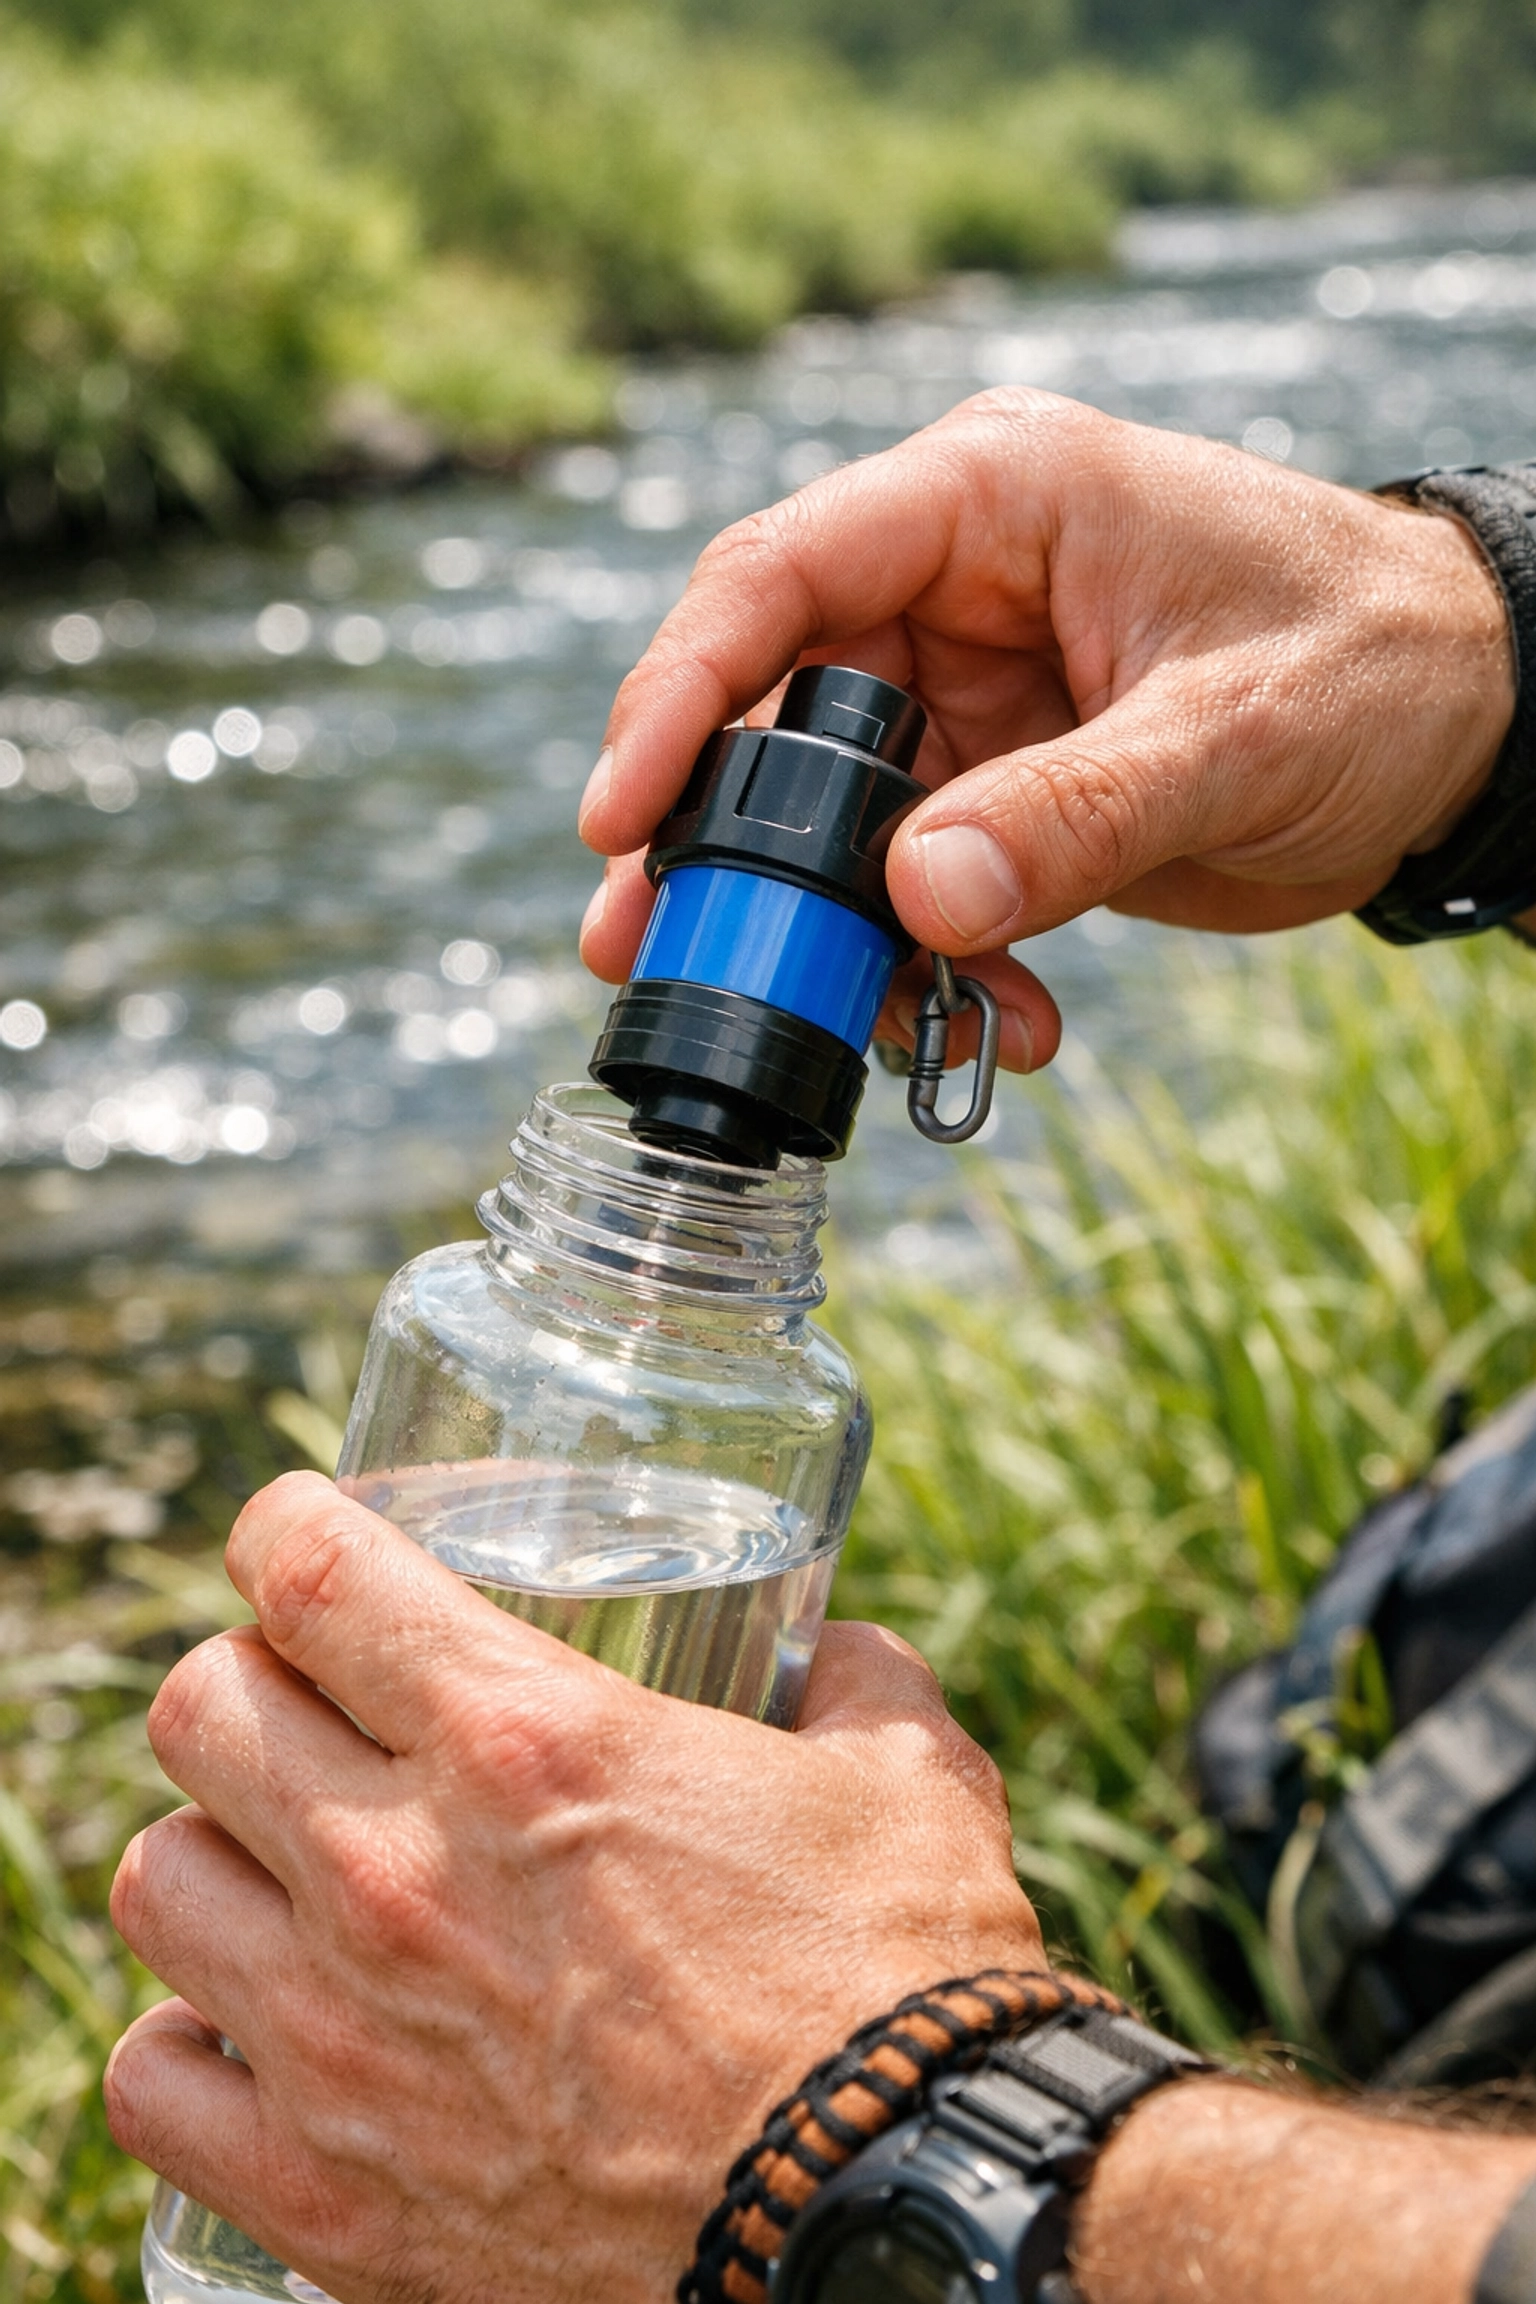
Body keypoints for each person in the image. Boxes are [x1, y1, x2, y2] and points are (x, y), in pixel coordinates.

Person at [106, 391, 1536, 2304]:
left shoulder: (748, 1401)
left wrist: (884, 2139)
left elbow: (844, 2132)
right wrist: (1482, 653)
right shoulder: (500, 1325)